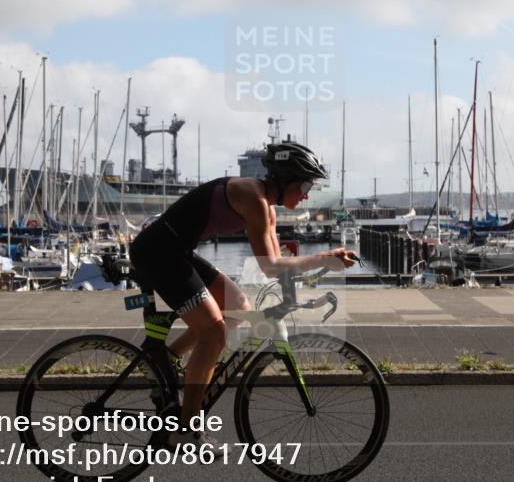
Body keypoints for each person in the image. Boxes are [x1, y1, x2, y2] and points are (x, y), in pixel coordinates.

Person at [129, 141, 357, 447]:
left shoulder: (266, 207)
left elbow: (274, 266)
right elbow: (273, 266)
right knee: (214, 333)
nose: (306, 193)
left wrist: (316, 268)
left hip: (175, 251)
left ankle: (167, 359)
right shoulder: (252, 198)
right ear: (284, 178)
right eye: (304, 184)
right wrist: (325, 258)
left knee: (237, 306)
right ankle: (185, 429)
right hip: (158, 253)